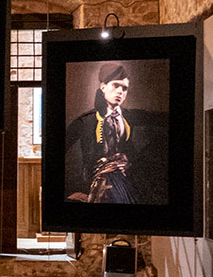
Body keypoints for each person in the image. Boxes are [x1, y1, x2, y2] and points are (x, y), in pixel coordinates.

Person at [64, 63, 154, 204]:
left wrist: (128, 161)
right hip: (97, 181)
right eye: (115, 86)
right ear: (103, 87)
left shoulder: (128, 117)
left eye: (124, 88)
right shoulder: (86, 121)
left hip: (124, 180)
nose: (120, 92)